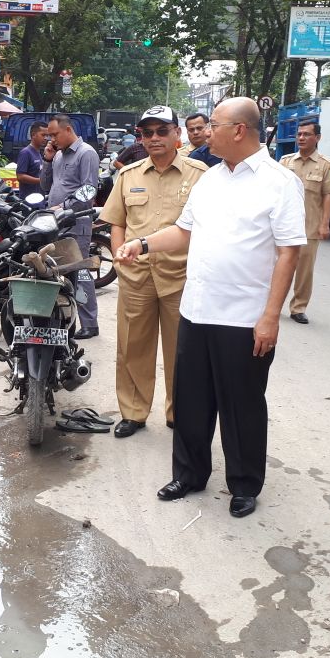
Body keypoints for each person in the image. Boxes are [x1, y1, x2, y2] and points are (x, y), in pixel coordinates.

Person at [115, 97, 305, 519]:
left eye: (214, 124)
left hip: (244, 316)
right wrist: (141, 244)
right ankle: (189, 473)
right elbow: (183, 233)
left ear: (239, 130)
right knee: (192, 401)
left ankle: (243, 483)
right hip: (197, 310)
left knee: (242, 404)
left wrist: (271, 316)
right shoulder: (211, 179)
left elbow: (289, 253)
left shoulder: (279, 182)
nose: (205, 132)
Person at [99, 105, 208, 438]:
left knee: (183, 352)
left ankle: (180, 411)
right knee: (133, 347)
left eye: (162, 131)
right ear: (141, 138)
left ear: (177, 134)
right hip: (137, 277)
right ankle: (133, 412)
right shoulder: (129, 175)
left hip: (182, 277)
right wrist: (119, 256)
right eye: (148, 133)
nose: (155, 138)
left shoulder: (200, 174)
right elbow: (117, 221)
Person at [45, 114, 101, 339]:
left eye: (55, 134)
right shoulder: (58, 155)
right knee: (58, 271)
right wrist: (47, 162)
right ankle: (65, 319)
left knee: (80, 271)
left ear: (68, 130)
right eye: (49, 135)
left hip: (76, 222)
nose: (52, 139)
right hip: (56, 222)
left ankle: (90, 323)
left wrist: (65, 206)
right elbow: (47, 185)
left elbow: (89, 189)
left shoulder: (86, 153)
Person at [280, 121, 330, 325]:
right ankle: (274, 303)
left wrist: (325, 224)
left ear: (318, 138)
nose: (301, 138)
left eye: (306, 134)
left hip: (309, 226)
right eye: (299, 134)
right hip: (283, 225)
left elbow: (328, 195)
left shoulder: (326, 164)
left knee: (304, 270)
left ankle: (298, 308)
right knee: (278, 265)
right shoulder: (285, 161)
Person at [15, 122, 47, 199]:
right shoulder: (26, 152)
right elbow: (20, 176)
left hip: (39, 199)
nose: (46, 138)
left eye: (47, 135)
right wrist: (41, 181)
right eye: (43, 135)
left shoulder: (39, 152)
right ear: (33, 135)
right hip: (28, 202)